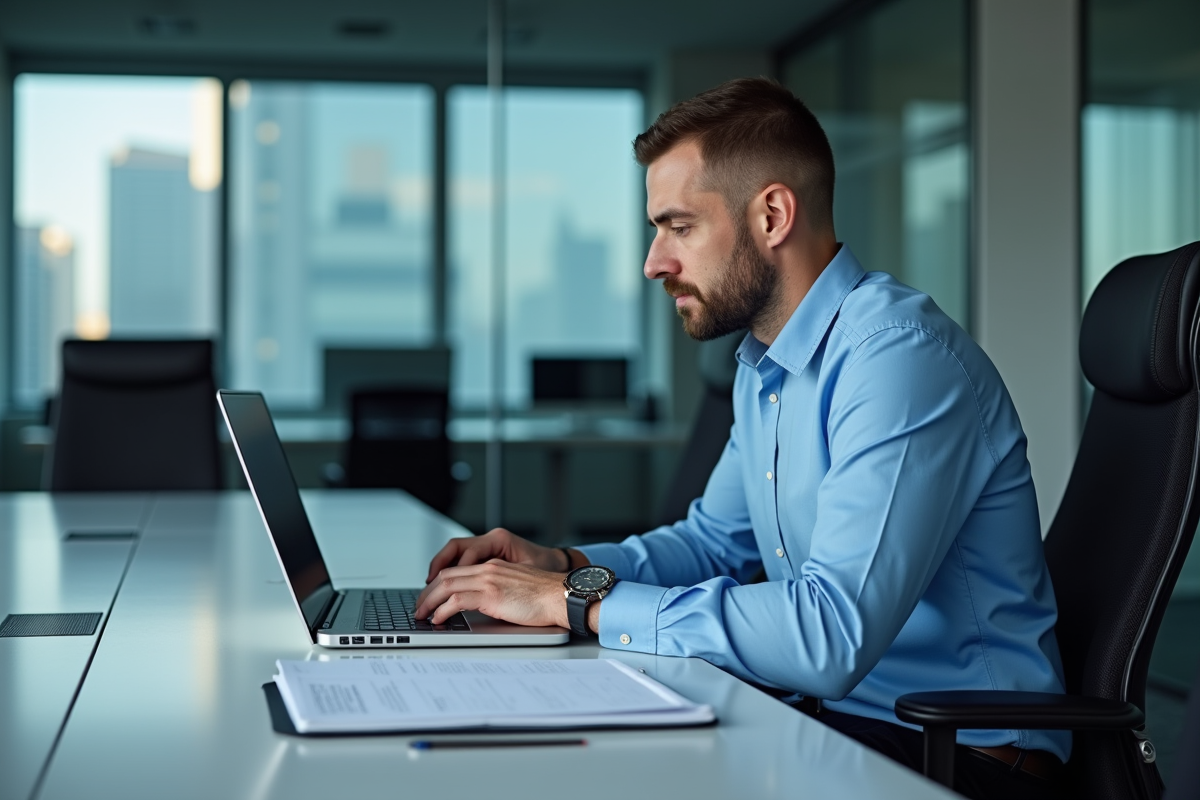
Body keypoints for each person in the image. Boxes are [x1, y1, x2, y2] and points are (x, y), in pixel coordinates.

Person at [415, 77, 1068, 800]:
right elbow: (708, 546)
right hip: (832, 721)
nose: (654, 262)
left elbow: (829, 634)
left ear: (772, 215)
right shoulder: (768, 367)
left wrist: (574, 602)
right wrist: (563, 562)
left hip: (957, 757)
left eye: (679, 227)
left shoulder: (898, 358)